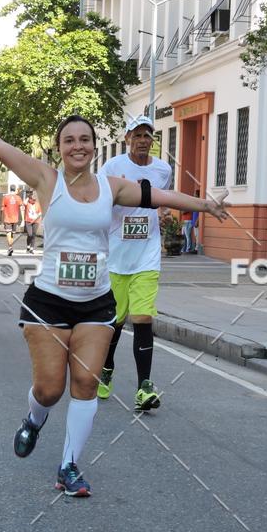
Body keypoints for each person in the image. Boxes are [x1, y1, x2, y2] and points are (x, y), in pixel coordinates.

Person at [0, 84, 227, 497]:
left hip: (96, 303)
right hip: (48, 302)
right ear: (59, 148)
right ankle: (34, 419)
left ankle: (68, 466)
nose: (78, 146)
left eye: (85, 139)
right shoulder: (46, 179)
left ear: (94, 147)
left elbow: (158, 197)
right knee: (49, 389)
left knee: (85, 383)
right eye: (69, 140)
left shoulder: (112, 186)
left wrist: (205, 205)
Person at [97, 115, 172, 411]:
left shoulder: (163, 169)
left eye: (147, 135)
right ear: (127, 138)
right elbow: (101, 199)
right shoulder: (113, 168)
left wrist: (163, 211)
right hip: (116, 257)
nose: (143, 140)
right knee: (113, 323)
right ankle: (106, 368)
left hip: (147, 255)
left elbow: (162, 198)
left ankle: (144, 387)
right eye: (137, 135)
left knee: (143, 318)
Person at [1, 184, 23, 256]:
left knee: (8, 233)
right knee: (12, 234)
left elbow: (2, 208)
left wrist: (1, 217)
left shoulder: (5, 197)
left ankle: (10, 247)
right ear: (15, 189)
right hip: (15, 218)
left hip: (7, 218)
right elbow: (22, 208)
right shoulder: (18, 198)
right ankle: (10, 247)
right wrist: (22, 219)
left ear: (10, 189)